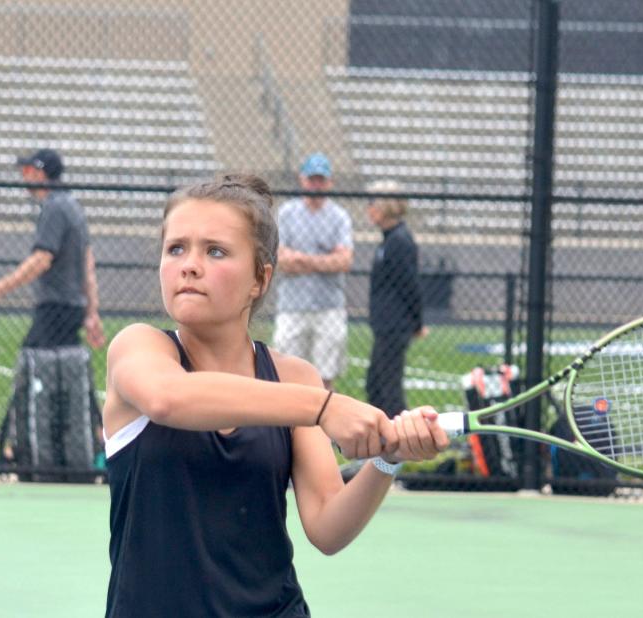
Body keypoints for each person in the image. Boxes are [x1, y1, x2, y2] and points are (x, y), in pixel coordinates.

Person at [102, 174, 450, 616]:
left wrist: (387, 459)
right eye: (176, 248)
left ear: (259, 280)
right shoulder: (139, 347)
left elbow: (327, 526)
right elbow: (169, 398)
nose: (189, 264)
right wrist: (326, 406)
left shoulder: (295, 376)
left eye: (215, 251)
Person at [0, 148, 104, 350]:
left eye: (27, 171)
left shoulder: (54, 207)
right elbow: (88, 264)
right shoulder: (73, 206)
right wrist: (91, 312)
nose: (23, 177)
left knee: (33, 365)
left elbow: (41, 260)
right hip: (72, 308)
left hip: (55, 308)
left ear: (40, 173)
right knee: (57, 371)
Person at [274, 153, 353, 390]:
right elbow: (280, 260)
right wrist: (324, 260)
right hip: (292, 305)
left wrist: (302, 258)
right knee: (285, 374)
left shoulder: (339, 217)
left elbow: (344, 261)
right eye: (312, 180)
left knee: (325, 377)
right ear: (302, 180)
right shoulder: (287, 213)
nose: (316, 185)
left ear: (329, 182)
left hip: (328, 306)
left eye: (321, 180)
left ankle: (323, 424)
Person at [365, 180, 427, 418]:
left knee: (389, 390)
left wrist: (417, 323)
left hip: (394, 325)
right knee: (376, 386)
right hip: (385, 325)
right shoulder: (389, 239)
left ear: (384, 206)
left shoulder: (399, 241)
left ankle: (398, 445)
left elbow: (410, 285)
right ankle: (384, 444)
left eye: (372, 203)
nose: (368, 209)